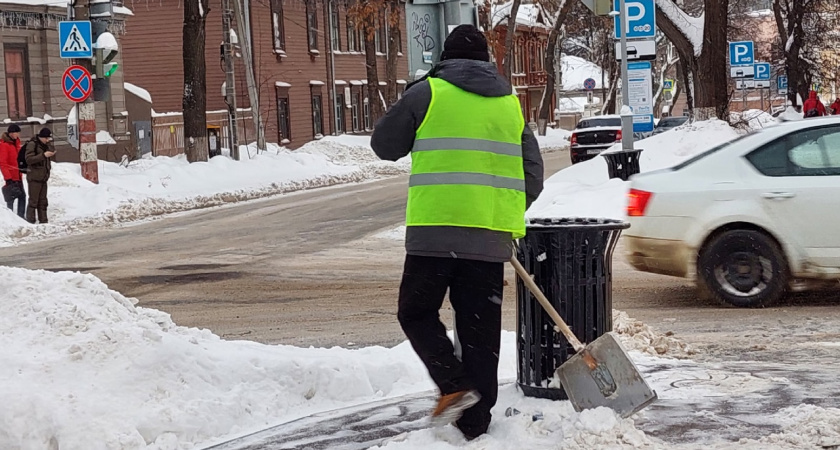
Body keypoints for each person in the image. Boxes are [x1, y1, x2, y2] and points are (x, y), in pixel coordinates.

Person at [370, 24, 544, 440]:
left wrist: (412, 102)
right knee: (479, 330)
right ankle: (476, 426)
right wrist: (503, 209)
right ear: (487, 61)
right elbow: (533, 174)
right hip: (488, 236)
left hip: (434, 233)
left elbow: (384, 145)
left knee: (416, 312)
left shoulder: (427, 93)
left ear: (444, 59)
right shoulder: (510, 104)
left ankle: (453, 384)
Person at [24, 127, 56, 224]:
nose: (47, 140)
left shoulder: (45, 145)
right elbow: (29, 159)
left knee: (43, 202)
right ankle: (30, 221)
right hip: (34, 177)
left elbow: (52, 149)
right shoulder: (32, 144)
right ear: (41, 137)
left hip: (43, 177)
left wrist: (49, 148)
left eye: (49, 138)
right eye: (46, 138)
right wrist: (43, 155)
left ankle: (43, 221)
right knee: (33, 201)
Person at [0, 124, 26, 218]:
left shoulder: (16, 144)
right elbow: (2, 163)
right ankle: (10, 218)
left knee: (22, 197)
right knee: (11, 199)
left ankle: (20, 217)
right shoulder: (4, 145)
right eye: (16, 132)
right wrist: (8, 178)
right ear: (11, 133)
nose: (18, 135)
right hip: (11, 177)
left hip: (18, 175)